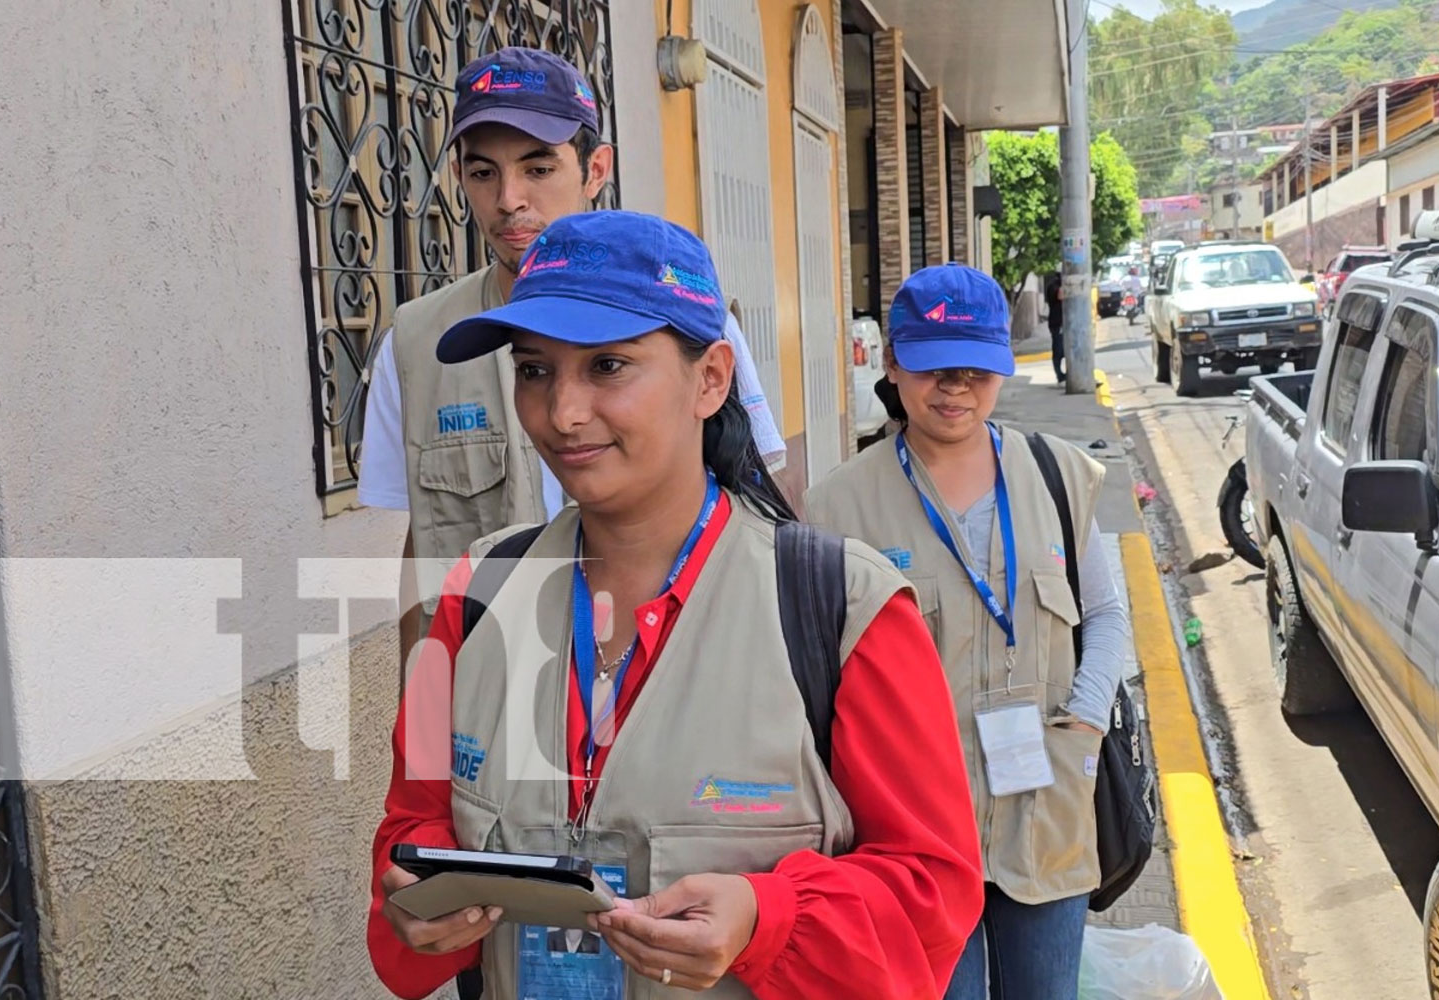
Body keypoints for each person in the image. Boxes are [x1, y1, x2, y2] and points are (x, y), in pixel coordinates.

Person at [367, 211, 984, 999]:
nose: (563, 413)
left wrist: (770, 919)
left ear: (711, 379)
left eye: (609, 367)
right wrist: (414, 902)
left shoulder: (844, 609)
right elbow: (411, 825)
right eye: (534, 371)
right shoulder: (469, 600)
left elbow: (932, 895)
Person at [355, 46, 786, 669]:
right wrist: (421, 715)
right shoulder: (417, 342)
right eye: (483, 173)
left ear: (595, 169)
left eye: (538, 169)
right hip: (500, 698)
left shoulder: (685, 310)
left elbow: (756, 495)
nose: (509, 199)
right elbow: (422, 551)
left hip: (669, 675)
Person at [805, 264, 1129, 1000]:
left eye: (976, 369)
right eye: (932, 367)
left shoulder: (1058, 476)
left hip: (1044, 810)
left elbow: (1106, 613)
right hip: (912, 832)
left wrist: (1085, 716)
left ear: (1004, 366)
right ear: (892, 364)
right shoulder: (835, 508)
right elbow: (816, 678)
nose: (954, 387)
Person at [1043, 268, 1065, 383]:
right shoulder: (1054, 286)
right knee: (1058, 350)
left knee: (1064, 350)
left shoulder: (1057, 284)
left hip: (1063, 322)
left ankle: (1064, 374)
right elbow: (1060, 296)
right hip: (1057, 322)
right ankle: (1059, 374)